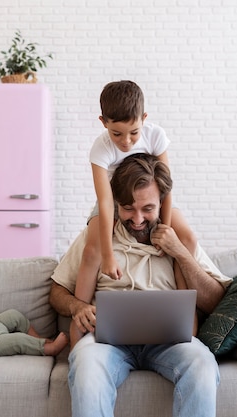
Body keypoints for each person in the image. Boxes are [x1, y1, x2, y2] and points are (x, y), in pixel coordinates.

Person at [49, 153, 232, 417]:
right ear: (116, 204)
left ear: (161, 204)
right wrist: (77, 306)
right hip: (106, 343)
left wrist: (179, 252)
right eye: (128, 208)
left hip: (169, 343)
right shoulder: (99, 236)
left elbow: (216, 301)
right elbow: (56, 291)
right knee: (87, 365)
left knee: (202, 363)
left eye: (147, 209)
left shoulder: (176, 237)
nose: (137, 219)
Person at [73, 80, 197, 345]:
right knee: (91, 248)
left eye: (133, 132)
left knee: (186, 239)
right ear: (103, 122)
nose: (126, 141)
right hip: (115, 199)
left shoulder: (155, 135)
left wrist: (165, 229)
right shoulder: (100, 149)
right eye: (117, 133)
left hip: (149, 197)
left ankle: (188, 323)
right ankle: (77, 330)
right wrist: (108, 256)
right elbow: (105, 202)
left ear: (144, 119)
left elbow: (166, 186)